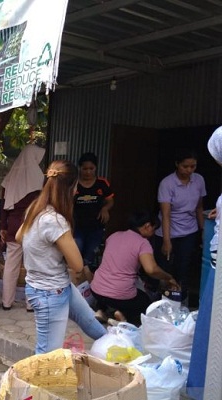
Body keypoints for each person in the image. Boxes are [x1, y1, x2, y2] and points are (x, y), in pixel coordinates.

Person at [15, 160, 106, 354]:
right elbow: (78, 265)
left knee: (89, 321)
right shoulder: (55, 220)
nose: (76, 192)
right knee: (48, 353)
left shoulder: (35, 208)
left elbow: (18, 236)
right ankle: (31, 385)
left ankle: (117, 348)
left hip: (56, 285)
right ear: (69, 188)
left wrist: (43, 250)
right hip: (49, 293)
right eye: (75, 187)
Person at [90, 210, 179, 327]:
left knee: (110, 290)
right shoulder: (142, 243)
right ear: (147, 226)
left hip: (96, 289)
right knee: (144, 302)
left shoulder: (113, 236)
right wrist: (169, 277)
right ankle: (122, 316)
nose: (153, 233)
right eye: (154, 229)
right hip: (119, 294)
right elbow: (151, 269)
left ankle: (101, 311)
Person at [187, 127, 222, 400]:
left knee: (212, 336)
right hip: (213, 265)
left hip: (216, 269)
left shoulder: (200, 182)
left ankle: (202, 390)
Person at [152, 150, 206, 302]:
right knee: (165, 268)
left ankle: (182, 302)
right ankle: (163, 301)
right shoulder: (167, 183)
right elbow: (166, 214)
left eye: (193, 166)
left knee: (184, 267)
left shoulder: (199, 180)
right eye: (185, 166)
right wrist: (167, 241)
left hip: (189, 231)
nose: (189, 170)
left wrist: (203, 231)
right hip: (168, 231)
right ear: (177, 164)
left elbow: (199, 208)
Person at [0, 144, 44, 311]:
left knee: (11, 265)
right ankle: (30, 304)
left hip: (13, 224)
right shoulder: (39, 178)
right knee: (31, 266)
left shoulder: (10, 178)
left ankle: (6, 302)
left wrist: (3, 226)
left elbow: (4, 205)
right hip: (32, 225)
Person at [73, 152, 114, 273]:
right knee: (76, 253)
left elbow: (110, 201)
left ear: (96, 168)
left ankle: (87, 283)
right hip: (77, 227)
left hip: (96, 227)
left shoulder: (102, 183)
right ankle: (78, 282)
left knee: (90, 256)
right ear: (79, 168)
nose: (88, 172)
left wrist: (105, 209)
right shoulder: (74, 184)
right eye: (84, 169)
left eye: (91, 169)